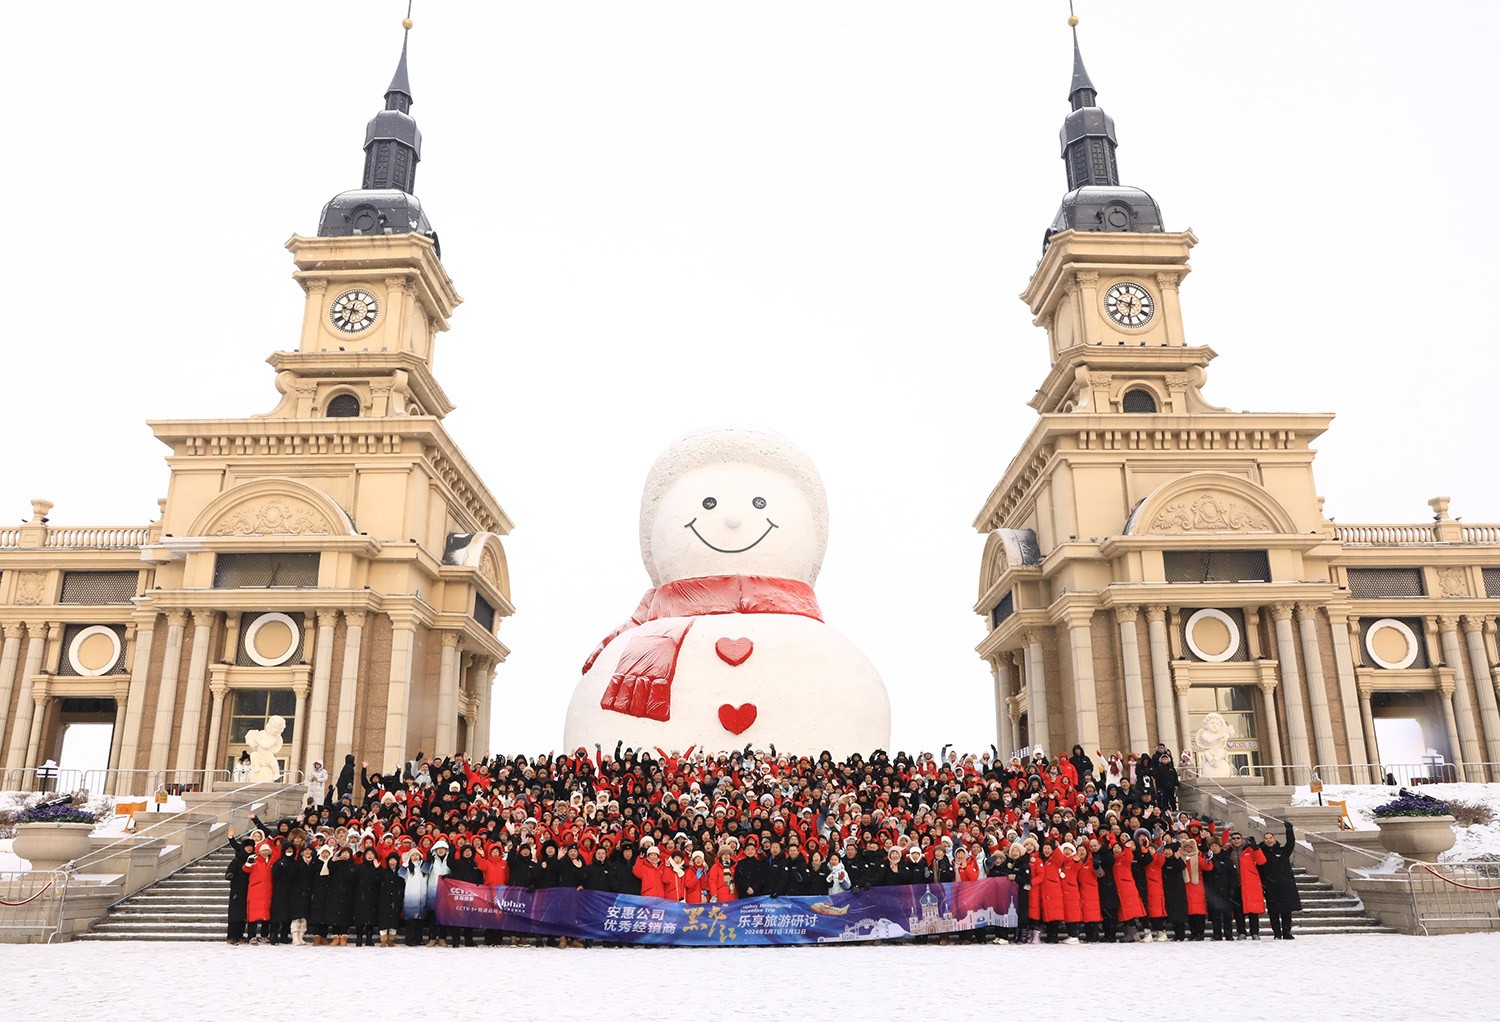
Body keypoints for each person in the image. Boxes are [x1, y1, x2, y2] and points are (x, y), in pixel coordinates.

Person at [1260, 819, 1301, 939]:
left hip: (1285, 885)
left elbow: (1291, 843)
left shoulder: (1283, 851)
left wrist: (1289, 830)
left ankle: (1287, 932)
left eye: (1270, 838)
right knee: (1273, 912)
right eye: (1266, 838)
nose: (1268, 840)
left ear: (1275, 839)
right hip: (1270, 886)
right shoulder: (1261, 853)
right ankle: (1277, 932)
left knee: (1286, 911)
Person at [1237, 829, 1268, 940]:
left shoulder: (1250, 850)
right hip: (1236, 884)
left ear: (1242, 840)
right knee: (1239, 911)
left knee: (1253, 910)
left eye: (1238, 838)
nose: (1236, 840)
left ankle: (1254, 931)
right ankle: (1241, 931)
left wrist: (1256, 848)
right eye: (1234, 838)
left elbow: (1262, 861)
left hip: (1250, 883)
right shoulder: (1229, 851)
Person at [242, 841, 274, 944]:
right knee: (253, 914)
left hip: (268, 889)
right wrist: (248, 863)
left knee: (266, 914)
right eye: (263, 850)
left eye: (266, 850)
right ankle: (252, 936)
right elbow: (246, 869)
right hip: (256, 890)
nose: (265, 852)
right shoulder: (254, 860)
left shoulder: (271, 861)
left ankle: (264, 935)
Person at [225, 833, 253, 944]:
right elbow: (230, 871)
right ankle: (232, 936)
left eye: (251, 846)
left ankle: (240, 935)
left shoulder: (254, 859)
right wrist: (230, 874)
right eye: (247, 846)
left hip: (249, 889)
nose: (249, 848)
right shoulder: (237, 860)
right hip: (238, 889)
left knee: (243, 915)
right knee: (235, 914)